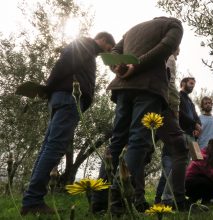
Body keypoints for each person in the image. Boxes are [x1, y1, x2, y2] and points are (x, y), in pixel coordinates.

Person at [91, 17, 184, 213]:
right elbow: (167, 46)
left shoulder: (132, 29)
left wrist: (117, 66)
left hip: (123, 87)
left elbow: (114, 52)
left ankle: (99, 200)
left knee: (117, 141)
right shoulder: (173, 24)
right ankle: (117, 198)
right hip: (148, 87)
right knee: (138, 141)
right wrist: (138, 64)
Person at [20, 32, 115, 215]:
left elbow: (65, 65)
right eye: (108, 49)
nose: (106, 53)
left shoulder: (86, 48)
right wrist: (48, 87)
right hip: (67, 99)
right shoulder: (85, 45)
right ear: (103, 40)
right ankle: (32, 200)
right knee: (54, 148)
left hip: (62, 98)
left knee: (48, 147)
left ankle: (32, 199)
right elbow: (62, 65)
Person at [154, 48, 189, 207]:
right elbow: (170, 81)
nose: (178, 54)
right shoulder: (169, 57)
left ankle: (113, 195)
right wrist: (174, 107)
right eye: (178, 50)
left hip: (141, 100)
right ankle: (178, 199)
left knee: (139, 146)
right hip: (162, 104)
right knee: (180, 148)